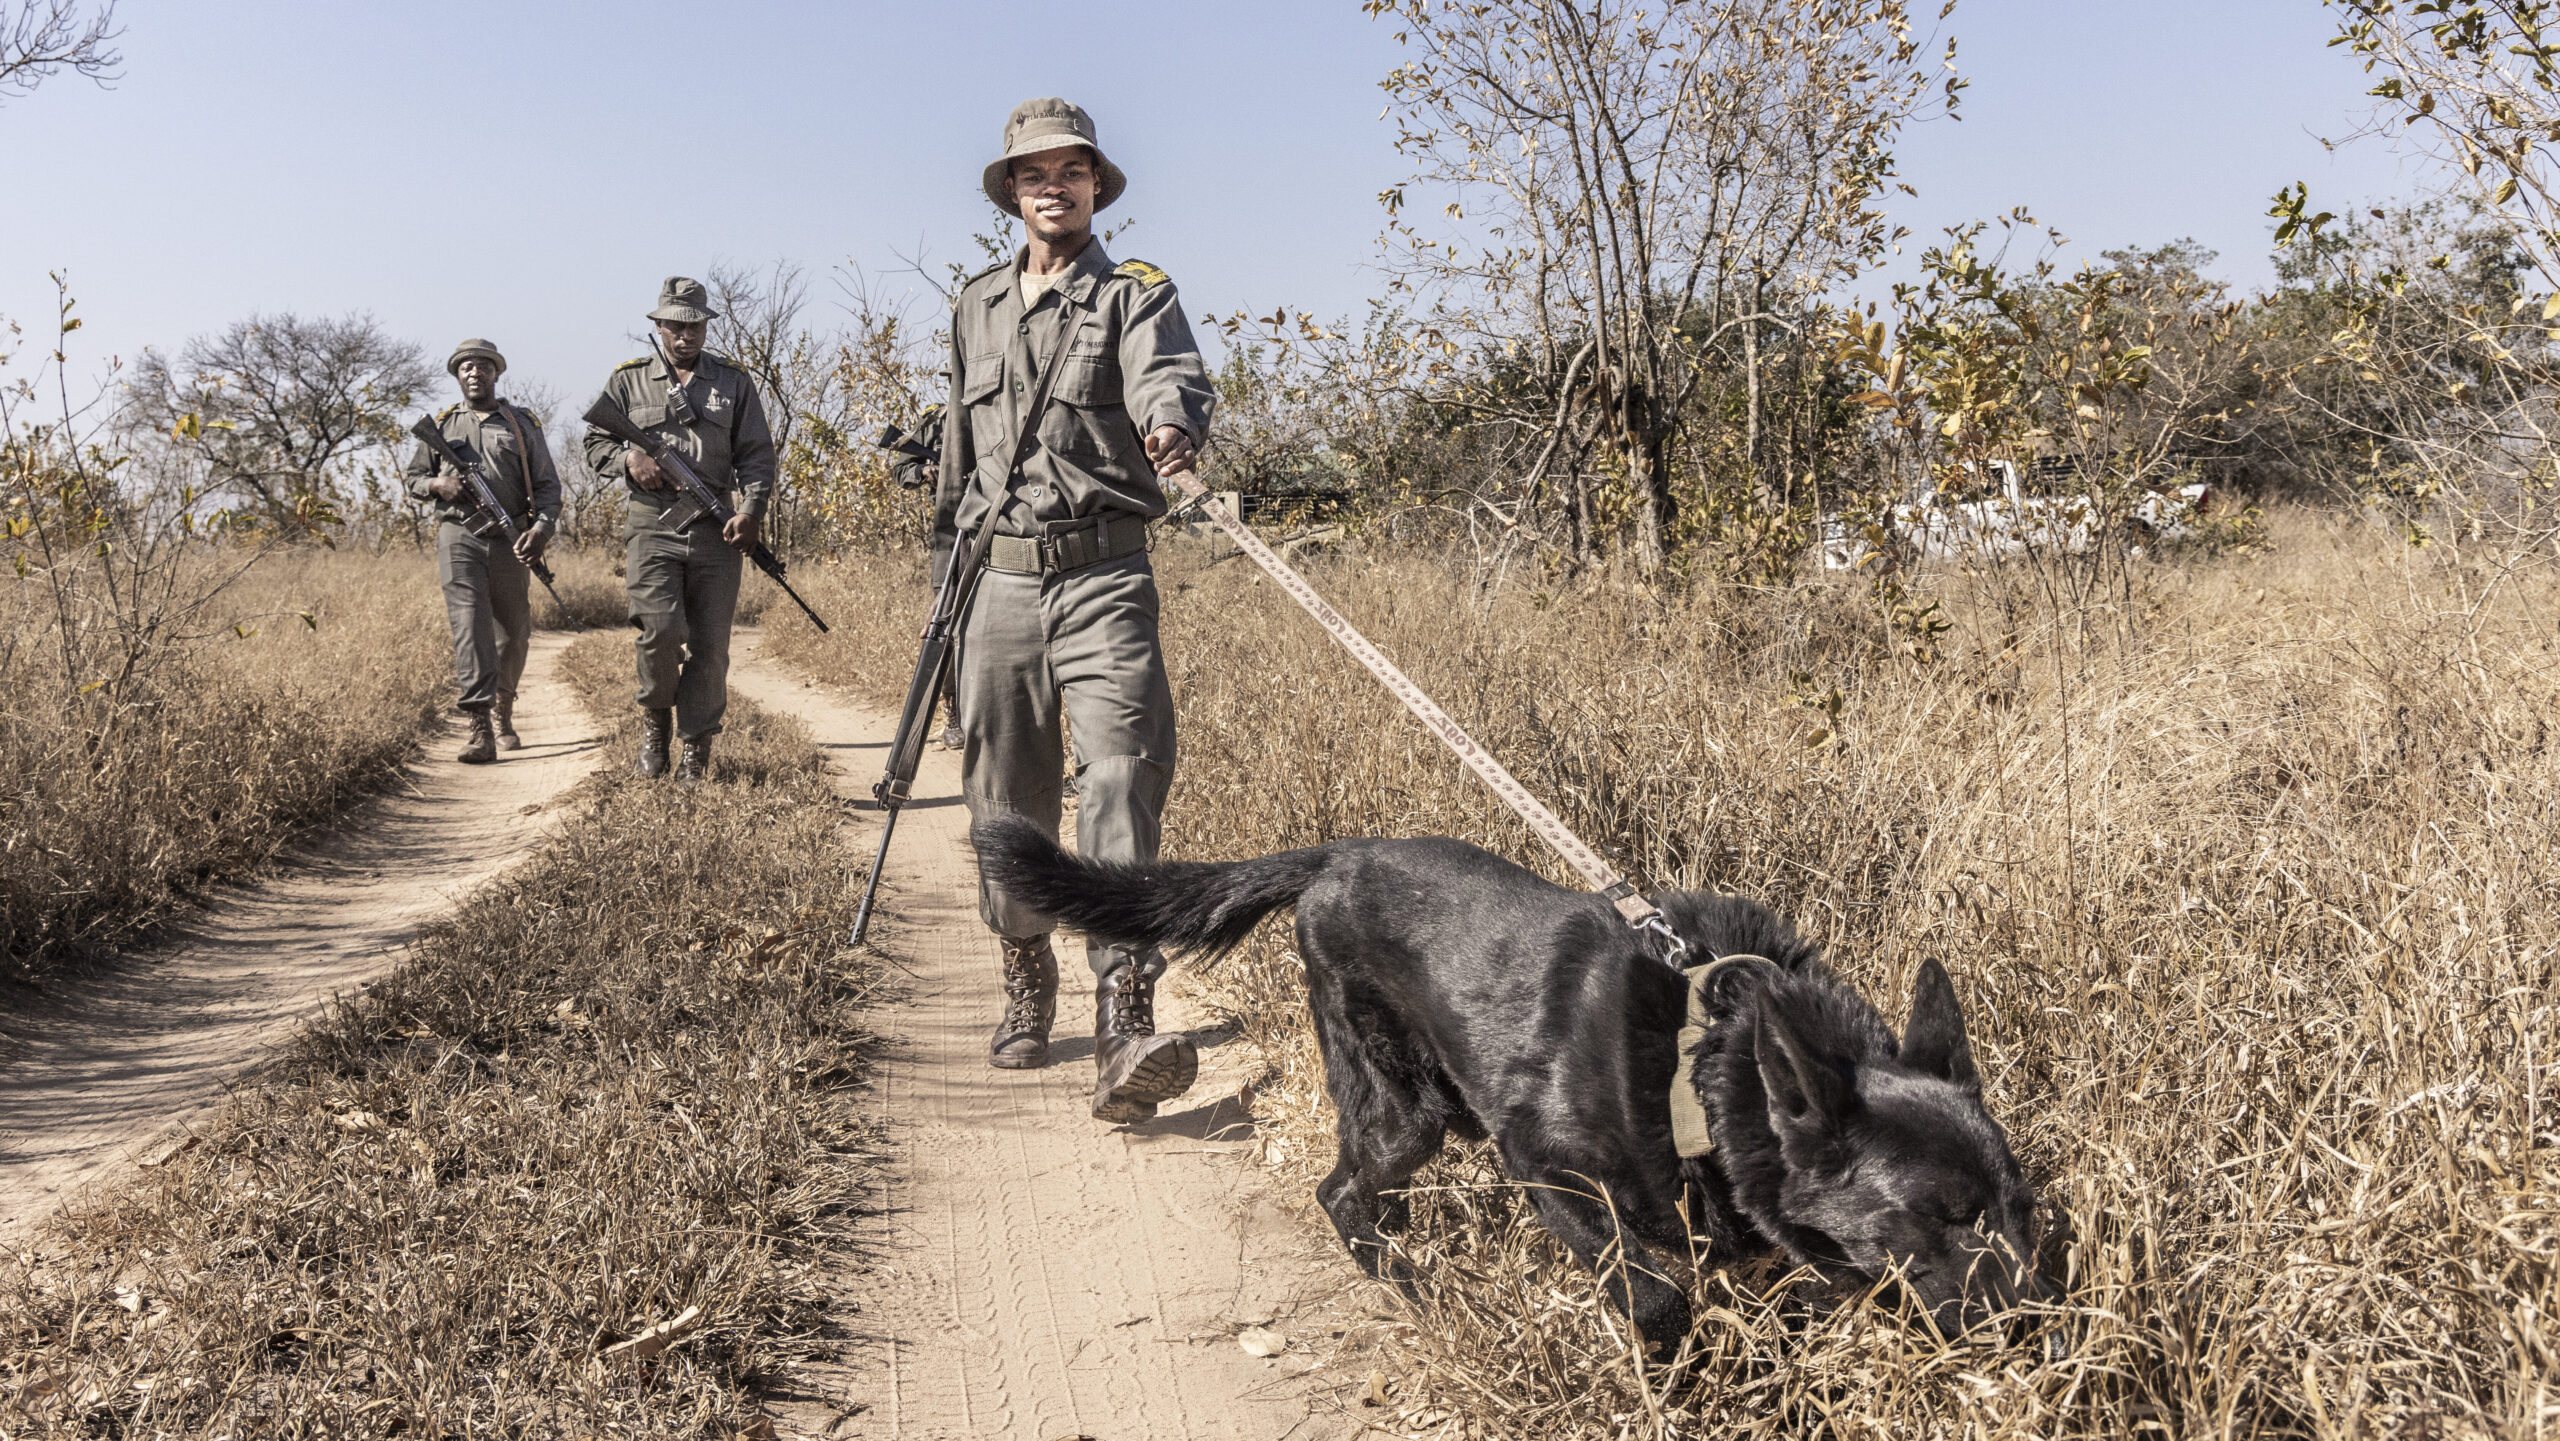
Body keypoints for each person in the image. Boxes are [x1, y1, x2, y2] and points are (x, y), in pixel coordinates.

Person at [934, 97, 1217, 1122]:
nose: (1051, 186)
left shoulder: (1135, 294)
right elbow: (959, 471)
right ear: (1011, 191)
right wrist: (946, 597)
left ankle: (1123, 1011)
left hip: (1104, 576)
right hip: (996, 580)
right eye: (1032, 173)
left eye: (1071, 171)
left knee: (1121, 777)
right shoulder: (973, 306)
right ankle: (1025, 972)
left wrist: (1171, 434)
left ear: (1096, 185)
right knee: (1004, 796)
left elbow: (1168, 382)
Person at [581, 277, 777, 785]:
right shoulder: (628, 380)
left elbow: (756, 454)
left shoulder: (733, 381)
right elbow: (595, 444)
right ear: (659, 327)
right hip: (652, 524)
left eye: (694, 326)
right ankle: (654, 727)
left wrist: (751, 511)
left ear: (705, 326)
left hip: (717, 528)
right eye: (675, 326)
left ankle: (696, 748)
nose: (685, 336)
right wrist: (630, 459)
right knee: (661, 633)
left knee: (710, 647)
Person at [405, 338, 560, 764]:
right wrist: (439, 485)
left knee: (513, 634)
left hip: (512, 538)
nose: (475, 373)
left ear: (497, 373)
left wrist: (541, 529)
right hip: (459, 537)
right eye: (466, 367)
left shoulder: (521, 424)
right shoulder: (441, 426)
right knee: (470, 629)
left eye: (483, 367)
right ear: (458, 376)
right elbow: (415, 478)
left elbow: (548, 486)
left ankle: (503, 709)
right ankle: (479, 728)